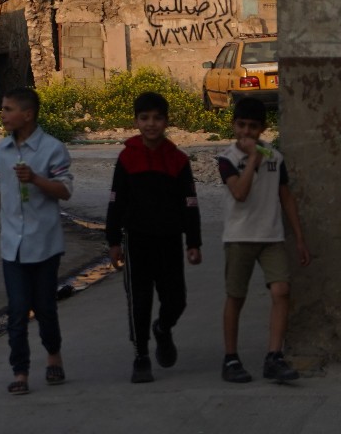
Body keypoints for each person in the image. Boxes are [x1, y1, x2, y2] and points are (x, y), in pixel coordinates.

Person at [105, 91, 202, 383]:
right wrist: (113, 241)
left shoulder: (177, 160)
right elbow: (116, 201)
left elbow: (190, 202)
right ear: (136, 121)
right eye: (144, 118)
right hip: (137, 241)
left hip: (169, 240)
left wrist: (193, 242)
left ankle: (163, 328)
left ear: (166, 121)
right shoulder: (127, 158)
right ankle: (141, 355)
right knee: (139, 299)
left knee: (176, 299)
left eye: (157, 118)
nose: (151, 124)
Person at [0, 86, 74, 395]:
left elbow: (65, 190)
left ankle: (53, 355)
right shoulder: (1, 151)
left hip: (45, 243)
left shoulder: (52, 149)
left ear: (28, 114)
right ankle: (20, 371)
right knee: (17, 309)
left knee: (45, 307)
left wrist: (36, 179)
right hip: (12, 244)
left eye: (8, 109)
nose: (3, 115)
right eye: (3, 109)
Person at [216, 96, 311, 383]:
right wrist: (252, 160)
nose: (246, 131)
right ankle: (231, 359)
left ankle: (274, 356)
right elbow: (240, 193)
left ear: (262, 129)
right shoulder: (227, 159)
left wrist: (299, 238)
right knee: (236, 296)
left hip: (271, 236)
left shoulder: (275, 158)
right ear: (234, 125)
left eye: (253, 126)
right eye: (241, 125)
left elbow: (286, 197)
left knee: (281, 290)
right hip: (239, 236)